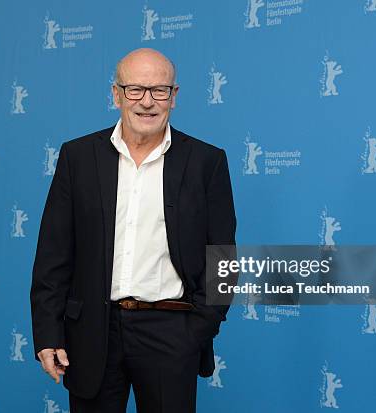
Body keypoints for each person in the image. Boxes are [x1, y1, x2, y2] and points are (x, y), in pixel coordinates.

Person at [30, 48, 236, 413]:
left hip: (172, 330)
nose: (147, 102)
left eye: (159, 90)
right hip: (92, 332)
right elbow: (53, 255)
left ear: (174, 97)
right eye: (135, 90)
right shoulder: (77, 157)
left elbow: (223, 260)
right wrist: (48, 333)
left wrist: (197, 331)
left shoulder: (206, 162)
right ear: (116, 94)